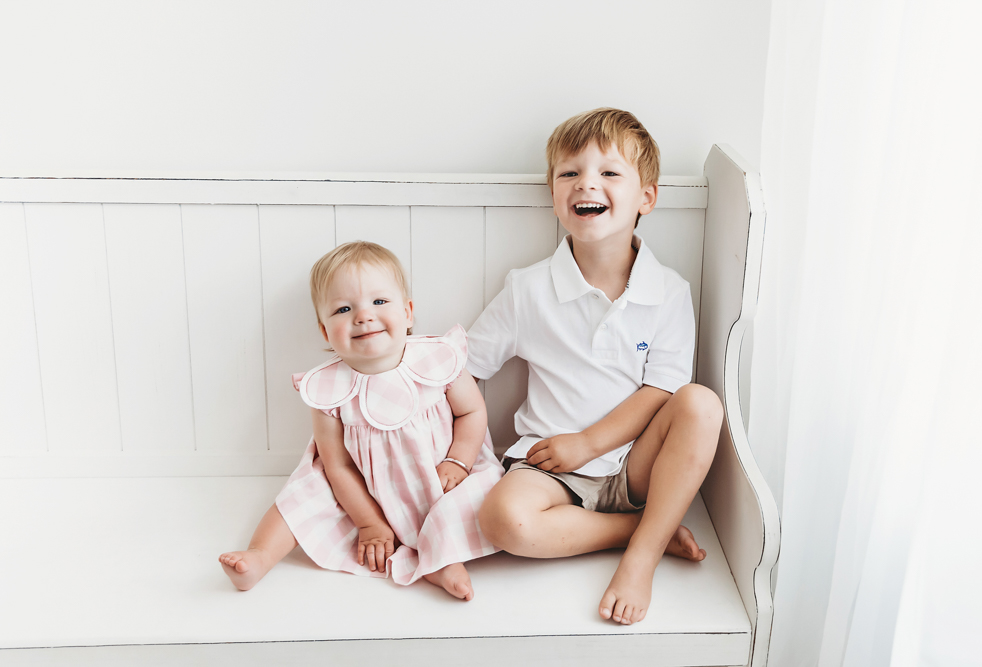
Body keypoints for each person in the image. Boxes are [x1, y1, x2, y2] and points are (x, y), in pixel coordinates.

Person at [468, 108, 723, 625]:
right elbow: (465, 369)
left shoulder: (669, 291)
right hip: (550, 465)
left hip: (635, 466)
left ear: (646, 197)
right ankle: (645, 530)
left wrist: (589, 443)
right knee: (500, 521)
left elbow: (661, 392)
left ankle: (642, 556)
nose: (587, 183)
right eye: (570, 173)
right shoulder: (528, 288)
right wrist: (457, 450)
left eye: (609, 172)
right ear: (555, 194)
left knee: (699, 402)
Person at [219, 241, 502, 601]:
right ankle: (260, 555)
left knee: (474, 500)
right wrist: (369, 522)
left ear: (408, 312)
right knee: (301, 495)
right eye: (343, 308)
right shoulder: (328, 390)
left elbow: (472, 412)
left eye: (379, 302)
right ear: (324, 331)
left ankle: (443, 562)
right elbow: (337, 466)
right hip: (362, 490)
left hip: (442, 473)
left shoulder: (437, 360)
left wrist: (459, 460)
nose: (363, 316)